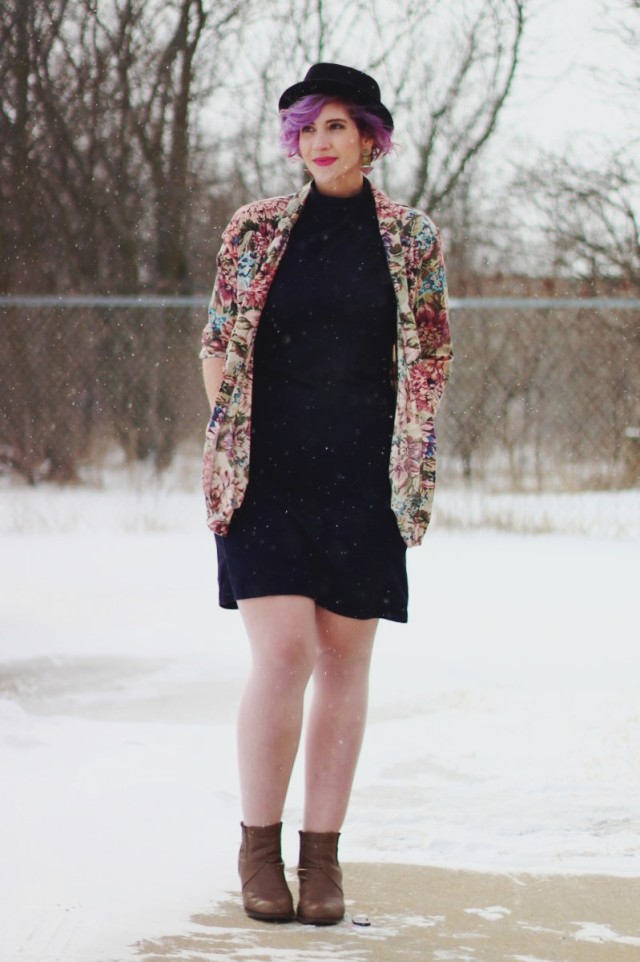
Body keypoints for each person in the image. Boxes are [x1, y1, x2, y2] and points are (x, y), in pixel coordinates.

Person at [200, 62, 452, 926]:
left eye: (336, 126)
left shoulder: (412, 238)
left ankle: (323, 860)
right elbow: (216, 343)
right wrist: (234, 434)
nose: (318, 141)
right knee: (284, 655)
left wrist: (409, 458)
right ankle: (259, 848)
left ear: (370, 136)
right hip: (265, 478)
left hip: (363, 483)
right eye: (306, 127)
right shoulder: (256, 230)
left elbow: (429, 356)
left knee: (346, 662)